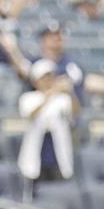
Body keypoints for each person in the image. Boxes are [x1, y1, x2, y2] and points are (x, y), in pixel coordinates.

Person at [17, 60, 78, 199]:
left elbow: (75, 112)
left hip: (57, 148)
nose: (49, 80)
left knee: (58, 190)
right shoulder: (28, 98)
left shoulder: (62, 99)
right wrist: (50, 94)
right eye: (44, 77)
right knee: (35, 189)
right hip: (37, 148)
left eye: (51, 76)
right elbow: (31, 114)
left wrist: (70, 92)